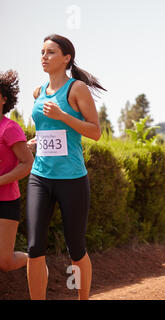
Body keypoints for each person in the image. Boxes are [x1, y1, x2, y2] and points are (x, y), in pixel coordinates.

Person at [26, 34, 105, 300]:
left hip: (71, 178)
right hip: (40, 176)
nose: (43, 57)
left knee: (76, 248)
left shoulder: (76, 89)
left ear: (66, 58)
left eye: (50, 52)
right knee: (35, 246)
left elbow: (95, 132)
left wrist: (62, 116)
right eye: (42, 52)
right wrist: (35, 141)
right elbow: (48, 131)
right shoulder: (38, 92)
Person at [0, 70, 34, 273]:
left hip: (5, 201)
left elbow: (26, 163)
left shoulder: (10, 128)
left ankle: (36, 262)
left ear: (4, 98)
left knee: (5, 262)